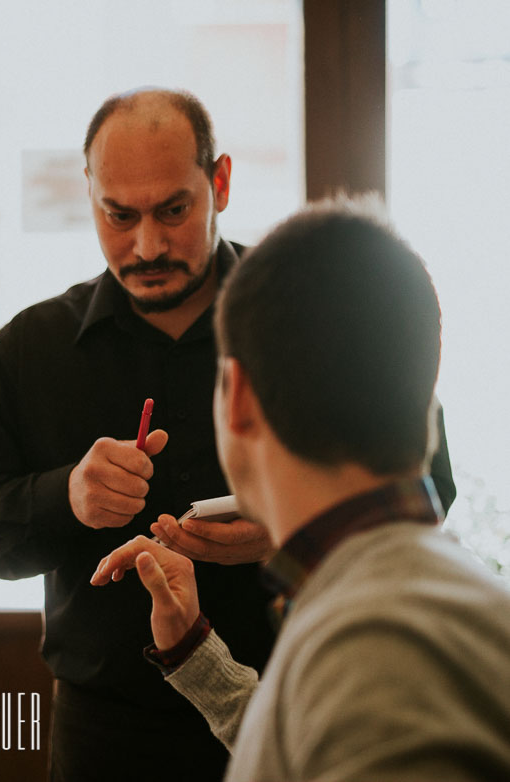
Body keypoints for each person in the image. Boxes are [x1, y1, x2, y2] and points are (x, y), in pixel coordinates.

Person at [0, 88, 457, 781]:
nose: (146, 245)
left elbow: (427, 487)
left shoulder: (307, 318)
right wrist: (65, 496)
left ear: (220, 182)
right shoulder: (32, 348)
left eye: (172, 211)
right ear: (88, 196)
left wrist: (295, 536)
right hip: (105, 732)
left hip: (297, 704)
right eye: (118, 216)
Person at [93, 199, 510, 781]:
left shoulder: (379, 640)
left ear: (236, 398)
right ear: (425, 404)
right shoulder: (438, 600)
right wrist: (194, 651)